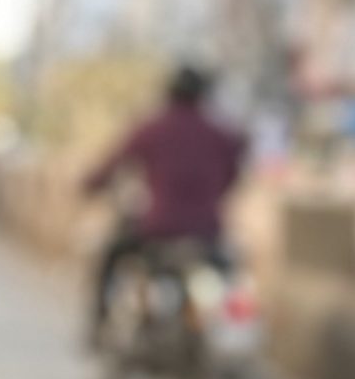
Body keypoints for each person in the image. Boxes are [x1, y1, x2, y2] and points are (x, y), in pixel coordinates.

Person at [84, 64, 248, 345]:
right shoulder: (220, 133)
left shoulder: (152, 128)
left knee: (112, 255)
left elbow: (112, 165)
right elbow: (234, 173)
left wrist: (91, 185)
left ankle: (100, 325)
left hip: (159, 230)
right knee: (233, 274)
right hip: (208, 233)